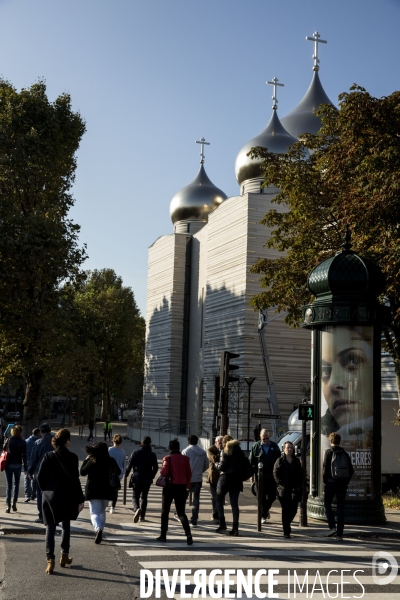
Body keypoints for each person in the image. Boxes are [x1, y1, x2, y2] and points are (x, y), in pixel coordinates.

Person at [37, 428, 84, 574]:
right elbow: (76, 480)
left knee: (50, 528)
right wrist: (80, 498)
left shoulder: (48, 456)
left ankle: (50, 560)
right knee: (66, 526)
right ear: (67, 441)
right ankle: (64, 555)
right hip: (67, 496)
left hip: (50, 496)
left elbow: (40, 478)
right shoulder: (73, 457)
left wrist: (46, 491)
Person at [80, 441, 120, 544]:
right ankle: (100, 530)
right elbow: (118, 472)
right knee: (102, 512)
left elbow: (82, 472)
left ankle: (98, 529)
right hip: (107, 490)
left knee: (94, 512)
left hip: (93, 489)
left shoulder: (93, 460)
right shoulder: (111, 460)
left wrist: (85, 461)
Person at [156, 439, 193, 545]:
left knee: (165, 511)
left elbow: (163, 473)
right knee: (181, 512)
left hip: (169, 487)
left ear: (169, 448)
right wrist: (187, 486)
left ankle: (163, 535)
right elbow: (189, 474)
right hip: (181, 487)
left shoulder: (167, 458)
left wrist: (162, 466)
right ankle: (188, 535)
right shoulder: (185, 459)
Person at [323, 431, 354, 541]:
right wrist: (345, 482)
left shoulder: (328, 452)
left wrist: (324, 481)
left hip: (331, 483)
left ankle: (332, 527)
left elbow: (325, 468)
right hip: (342, 485)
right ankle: (340, 534)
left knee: (327, 504)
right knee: (341, 508)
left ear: (330, 441)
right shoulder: (345, 453)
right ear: (339, 441)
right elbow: (351, 470)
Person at [215, 435, 247, 536]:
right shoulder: (239, 451)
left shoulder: (225, 450)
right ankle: (235, 528)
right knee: (234, 504)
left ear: (225, 443)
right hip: (237, 479)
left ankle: (222, 523)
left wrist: (216, 464)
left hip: (225, 479)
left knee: (219, 499)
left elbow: (222, 466)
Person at [249, 429, 281, 523]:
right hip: (260, 475)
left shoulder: (274, 446)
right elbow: (251, 461)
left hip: (272, 475)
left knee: (272, 496)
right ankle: (263, 515)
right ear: (260, 437)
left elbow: (279, 460)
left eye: (267, 438)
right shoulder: (256, 446)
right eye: (264, 439)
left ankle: (265, 510)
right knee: (261, 496)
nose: (266, 440)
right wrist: (251, 475)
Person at [273, 441, 303, 539]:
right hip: (283, 489)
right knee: (285, 510)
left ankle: (287, 523)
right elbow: (275, 473)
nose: (289, 449)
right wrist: (281, 482)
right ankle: (286, 531)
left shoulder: (296, 461)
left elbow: (300, 473)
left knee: (293, 509)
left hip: (294, 489)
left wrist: (299, 484)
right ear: (284, 449)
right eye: (287, 448)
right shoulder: (280, 460)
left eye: (291, 448)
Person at [125, 436, 158, 523]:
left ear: (141, 443)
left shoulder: (135, 452)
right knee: (144, 497)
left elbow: (129, 464)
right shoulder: (152, 454)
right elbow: (156, 467)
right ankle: (142, 516)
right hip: (147, 479)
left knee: (135, 496)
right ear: (150, 444)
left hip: (137, 477)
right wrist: (152, 475)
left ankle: (136, 509)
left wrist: (126, 474)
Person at [28, 423, 54, 523]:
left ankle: (42, 515)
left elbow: (33, 458)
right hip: (53, 471)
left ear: (41, 432)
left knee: (40, 494)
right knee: (52, 493)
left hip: (40, 471)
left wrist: (30, 471)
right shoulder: (55, 441)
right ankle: (52, 514)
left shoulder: (38, 442)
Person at [182, 435, 209, 527]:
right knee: (196, 499)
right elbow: (206, 464)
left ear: (188, 442)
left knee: (183, 498)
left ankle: (181, 515)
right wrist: (200, 471)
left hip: (187, 479)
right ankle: (194, 519)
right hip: (198, 478)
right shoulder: (203, 452)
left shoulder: (185, 451)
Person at [4, 425, 27, 512]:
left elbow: (4, 450)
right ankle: (14, 503)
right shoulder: (23, 442)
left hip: (9, 465)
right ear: (20, 432)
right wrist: (25, 467)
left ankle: (8, 505)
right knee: (16, 484)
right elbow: (24, 456)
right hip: (18, 465)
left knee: (9, 485)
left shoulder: (9, 440)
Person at [207, 435, 223, 524]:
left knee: (220, 496)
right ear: (216, 442)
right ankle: (215, 514)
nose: (221, 444)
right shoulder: (211, 449)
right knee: (214, 496)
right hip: (214, 476)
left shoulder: (225, 448)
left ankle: (219, 514)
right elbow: (214, 459)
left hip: (222, 476)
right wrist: (221, 452)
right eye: (219, 443)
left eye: (222, 442)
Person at [108, 434, 126, 513]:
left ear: (113, 440)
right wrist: (123, 473)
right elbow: (124, 464)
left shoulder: (109, 450)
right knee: (115, 490)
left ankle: (106, 503)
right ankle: (113, 507)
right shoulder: (122, 452)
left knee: (107, 488)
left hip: (109, 473)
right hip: (118, 474)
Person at [24, 428, 40, 502]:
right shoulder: (39, 442)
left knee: (27, 478)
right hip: (36, 462)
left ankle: (27, 494)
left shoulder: (27, 441)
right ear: (38, 433)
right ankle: (34, 493)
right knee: (35, 479)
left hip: (28, 461)